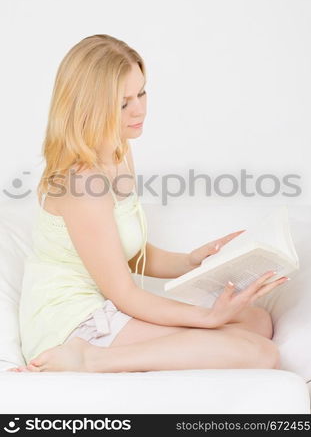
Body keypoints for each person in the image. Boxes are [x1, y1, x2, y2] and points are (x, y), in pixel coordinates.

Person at [9, 34, 288, 374]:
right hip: (70, 323)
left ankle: (101, 355)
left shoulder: (118, 150)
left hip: (104, 305)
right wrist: (208, 318)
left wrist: (191, 260)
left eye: (141, 92)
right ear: (89, 108)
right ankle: (88, 359)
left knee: (256, 322)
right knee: (261, 354)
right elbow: (124, 292)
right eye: (123, 103)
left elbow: (126, 250)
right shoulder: (84, 183)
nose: (139, 109)